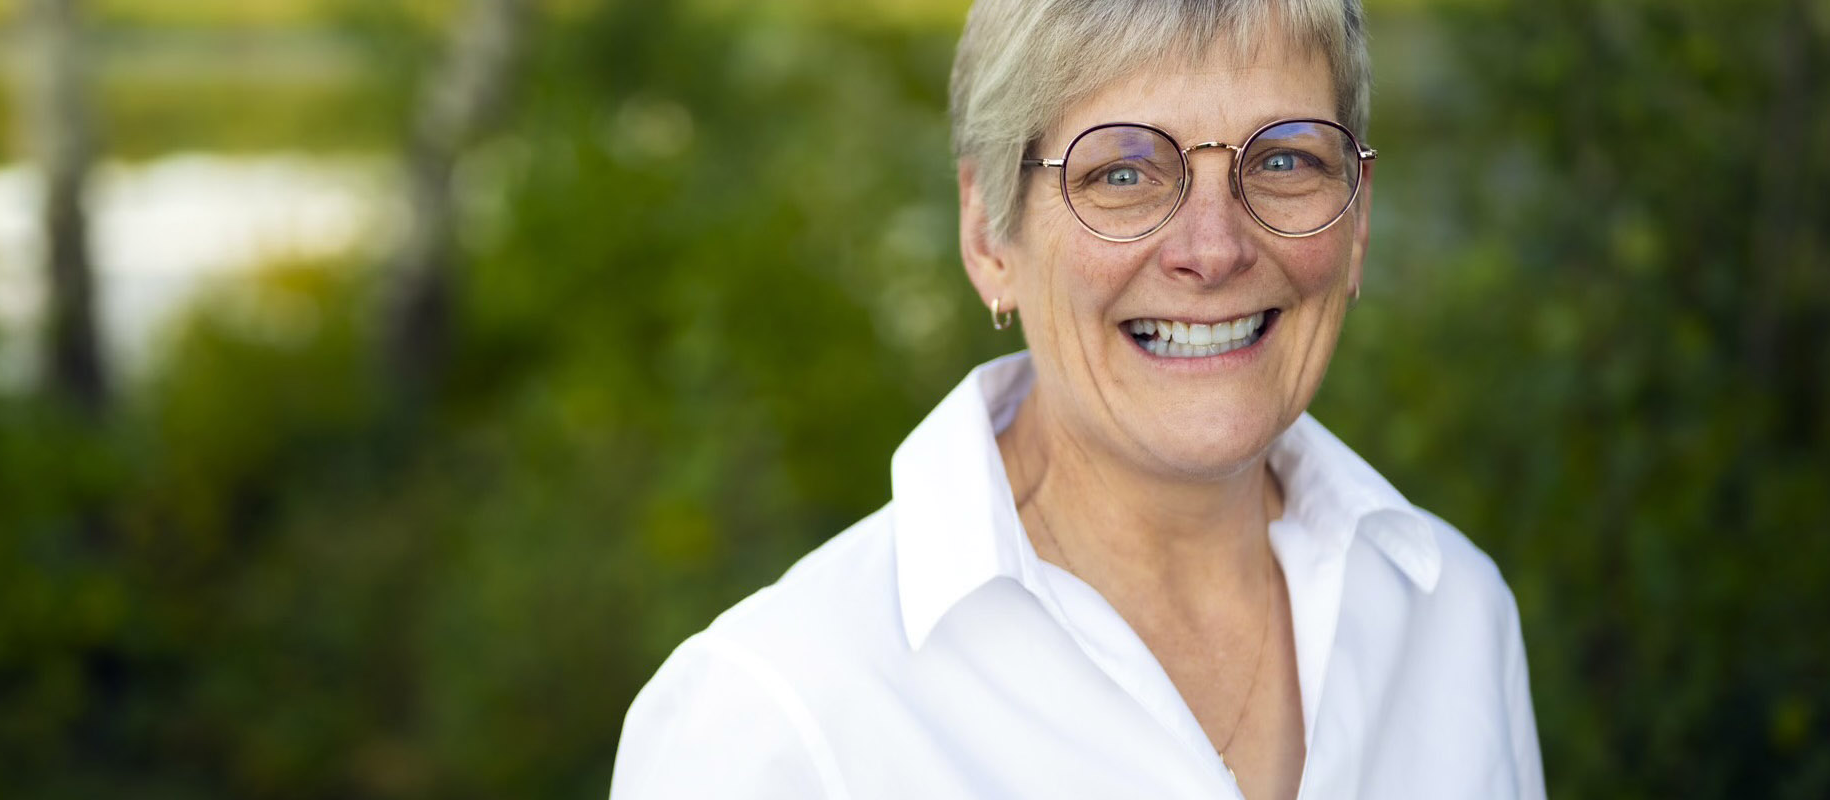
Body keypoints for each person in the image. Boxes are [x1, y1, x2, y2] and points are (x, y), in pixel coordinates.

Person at [609, 0, 1543, 798]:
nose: (1212, 249)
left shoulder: (1454, 619)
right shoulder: (776, 716)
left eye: (1285, 160)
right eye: (1123, 173)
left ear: (1359, 216)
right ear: (987, 234)